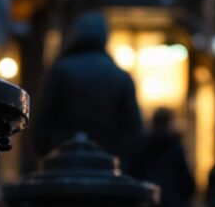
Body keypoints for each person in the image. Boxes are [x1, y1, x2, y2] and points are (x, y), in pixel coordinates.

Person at [31, 12, 142, 164]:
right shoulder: (121, 77)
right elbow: (134, 133)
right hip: (107, 167)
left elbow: (41, 127)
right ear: (105, 37)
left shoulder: (60, 71)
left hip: (64, 164)